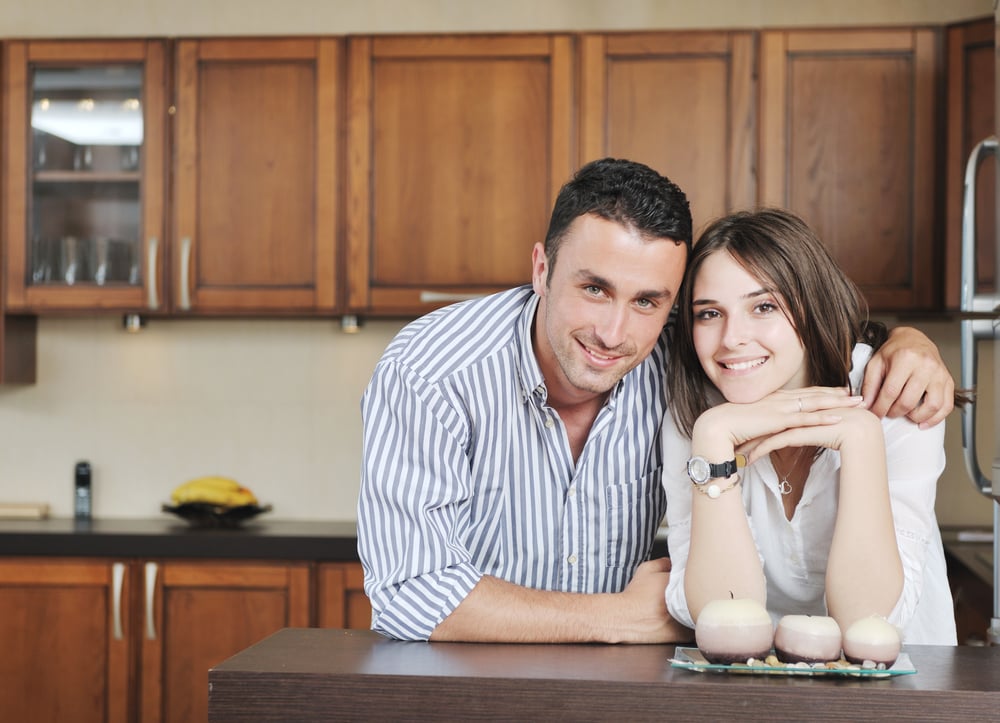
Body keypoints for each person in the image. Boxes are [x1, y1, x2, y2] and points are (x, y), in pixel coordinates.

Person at [358, 158, 956, 644]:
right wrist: (617, 618)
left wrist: (912, 342)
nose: (615, 334)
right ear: (541, 268)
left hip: (637, 690)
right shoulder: (433, 372)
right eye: (594, 288)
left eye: (648, 301)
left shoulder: (691, 357)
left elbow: (803, 337)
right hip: (470, 680)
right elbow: (411, 594)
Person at [662, 208, 957, 644]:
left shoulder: (898, 390)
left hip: (907, 690)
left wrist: (860, 438)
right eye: (709, 314)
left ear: (811, 303)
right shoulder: (695, 412)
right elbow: (722, 618)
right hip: (755, 691)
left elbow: (870, 625)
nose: (731, 339)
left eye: (763, 306)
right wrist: (713, 439)